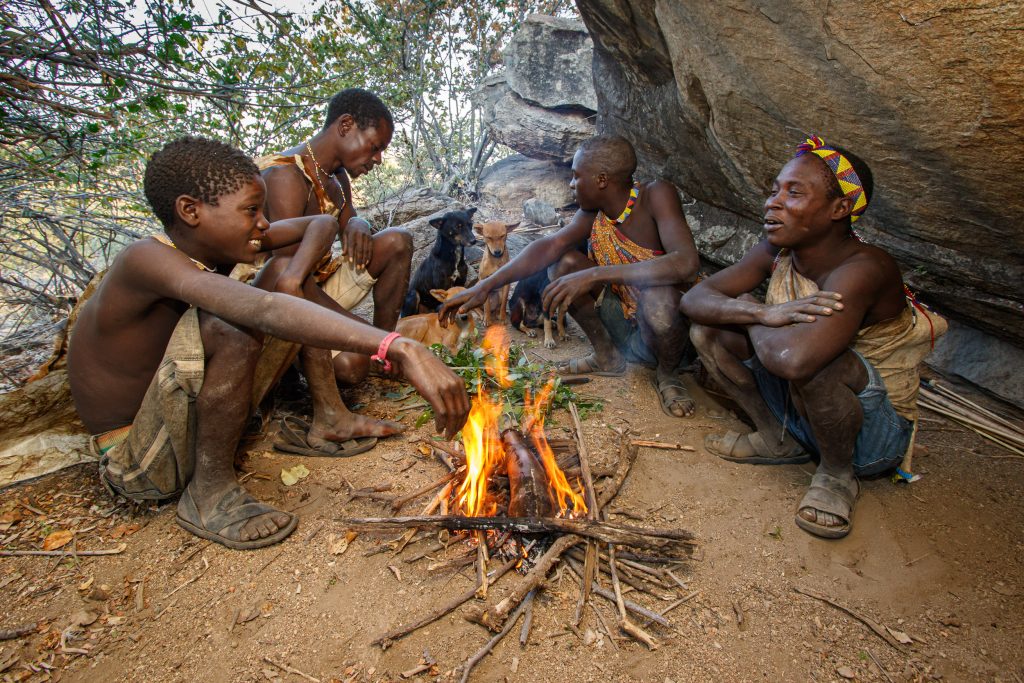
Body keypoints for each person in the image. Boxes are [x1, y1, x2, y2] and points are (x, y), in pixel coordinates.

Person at [67, 137, 469, 550]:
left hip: (182, 427)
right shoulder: (145, 259)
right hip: (139, 457)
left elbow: (322, 223)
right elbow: (263, 309)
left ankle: (330, 417)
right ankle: (209, 494)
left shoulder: (214, 247)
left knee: (284, 276)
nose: (263, 223)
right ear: (190, 211)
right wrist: (400, 346)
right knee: (235, 320)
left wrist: (294, 277)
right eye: (250, 211)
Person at [681, 135, 944, 539]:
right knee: (708, 329)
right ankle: (776, 438)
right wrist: (761, 312)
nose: (773, 203)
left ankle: (836, 477)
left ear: (840, 209)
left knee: (821, 363)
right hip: (804, 414)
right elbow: (694, 300)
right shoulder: (777, 250)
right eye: (774, 191)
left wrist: (749, 312)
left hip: (871, 440)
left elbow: (795, 360)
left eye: (794, 193)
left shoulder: (865, 268)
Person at [441, 134, 700, 417]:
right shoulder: (593, 214)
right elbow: (549, 246)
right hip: (626, 324)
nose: (571, 184)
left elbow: (686, 263)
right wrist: (485, 285)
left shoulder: (656, 195)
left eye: (576, 176)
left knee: (659, 298)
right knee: (562, 265)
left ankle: (668, 374)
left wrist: (595, 275)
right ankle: (607, 356)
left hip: (669, 332)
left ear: (601, 180)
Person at [259, 88, 412, 389]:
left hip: (319, 286)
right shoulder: (286, 177)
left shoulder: (337, 178)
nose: (378, 159)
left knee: (398, 240)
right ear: (345, 125)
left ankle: (382, 357)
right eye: (374, 147)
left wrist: (358, 221)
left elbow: (349, 222)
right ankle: (379, 347)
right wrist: (370, 336)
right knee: (352, 367)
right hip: (280, 302)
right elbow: (290, 283)